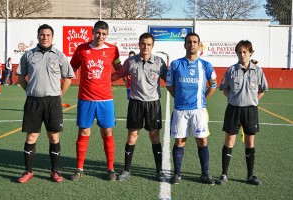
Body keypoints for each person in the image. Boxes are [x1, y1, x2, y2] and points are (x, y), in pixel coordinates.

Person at [16, 24, 75, 183]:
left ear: (52, 37)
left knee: (53, 136)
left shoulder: (59, 55)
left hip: (53, 102)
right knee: (31, 136)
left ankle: (55, 171)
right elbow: (21, 78)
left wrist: (59, 95)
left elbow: (68, 79)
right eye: (42, 35)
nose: (45, 37)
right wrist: (30, 91)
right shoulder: (28, 55)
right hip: (33, 101)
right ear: (38, 36)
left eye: (48, 35)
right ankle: (28, 171)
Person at [69, 20, 122, 181]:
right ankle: (79, 168)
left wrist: (110, 79)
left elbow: (119, 69)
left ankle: (110, 168)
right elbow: (71, 69)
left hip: (105, 99)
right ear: (93, 32)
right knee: (84, 131)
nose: (100, 36)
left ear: (107, 35)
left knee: (107, 132)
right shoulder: (82, 49)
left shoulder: (113, 50)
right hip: (86, 98)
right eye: (98, 33)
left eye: (104, 34)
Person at [111, 33, 168, 182]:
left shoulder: (159, 62)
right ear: (139, 44)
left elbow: (169, 79)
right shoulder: (131, 62)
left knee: (154, 136)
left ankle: (159, 171)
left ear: (152, 46)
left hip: (153, 104)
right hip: (135, 102)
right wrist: (100, 78)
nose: (145, 47)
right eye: (143, 43)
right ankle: (126, 170)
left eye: (149, 44)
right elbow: (117, 74)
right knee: (131, 137)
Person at [166, 32, 217, 185]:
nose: (192, 44)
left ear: (199, 45)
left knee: (202, 140)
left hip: (198, 111)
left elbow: (213, 85)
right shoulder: (176, 64)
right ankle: (177, 174)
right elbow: (169, 84)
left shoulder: (206, 65)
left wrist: (202, 100)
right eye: (189, 42)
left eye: (195, 42)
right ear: (185, 45)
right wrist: (179, 97)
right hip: (181, 110)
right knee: (180, 141)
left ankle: (205, 174)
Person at [217, 40, 268, 185]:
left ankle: (250, 175)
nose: (242, 54)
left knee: (250, 142)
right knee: (229, 141)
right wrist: (234, 98)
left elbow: (262, 90)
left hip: (250, 111)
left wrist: (252, 100)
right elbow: (224, 89)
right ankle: (224, 174)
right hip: (233, 109)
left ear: (250, 53)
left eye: (245, 51)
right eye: (239, 52)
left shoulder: (258, 71)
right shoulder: (231, 70)